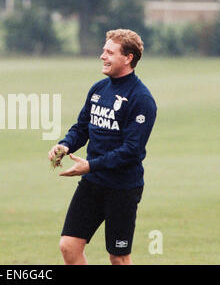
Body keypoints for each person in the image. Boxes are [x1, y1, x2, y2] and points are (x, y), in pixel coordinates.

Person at [48, 29, 157, 265]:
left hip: (122, 188)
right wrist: (65, 145)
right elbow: (82, 127)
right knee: (68, 246)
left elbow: (132, 151)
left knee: (118, 257)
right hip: (92, 184)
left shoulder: (141, 99)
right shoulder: (99, 89)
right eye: (103, 50)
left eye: (109, 52)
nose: (102, 56)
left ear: (128, 58)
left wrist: (90, 166)